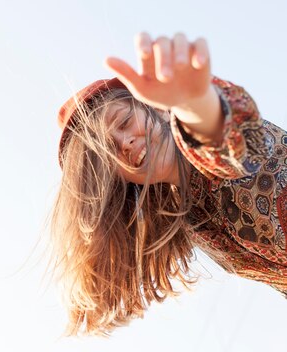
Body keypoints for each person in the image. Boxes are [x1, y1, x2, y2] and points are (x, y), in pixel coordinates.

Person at [48, 32, 287, 336]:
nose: (127, 143)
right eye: (109, 154)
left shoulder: (208, 143)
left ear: (157, 108)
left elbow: (225, 137)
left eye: (123, 123)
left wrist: (193, 101)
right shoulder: (186, 217)